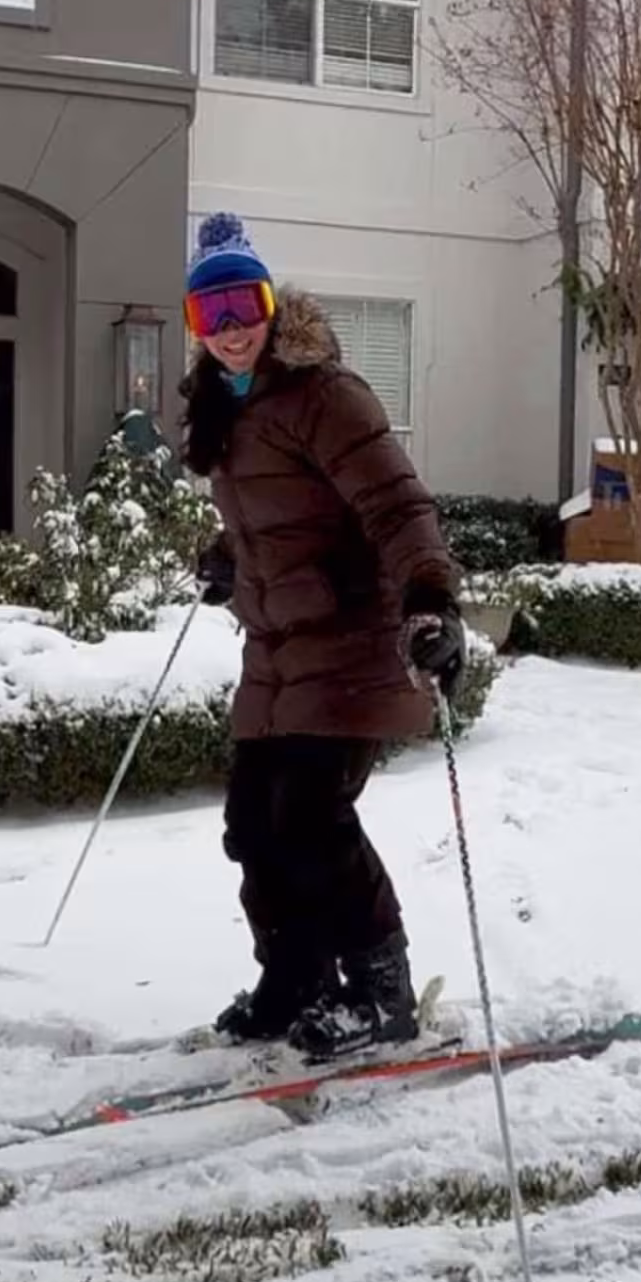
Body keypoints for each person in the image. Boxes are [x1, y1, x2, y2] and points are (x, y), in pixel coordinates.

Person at [181, 214, 467, 1062]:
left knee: (309, 816)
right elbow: (286, 516)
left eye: (244, 304)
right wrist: (230, 558)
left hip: (346, 640)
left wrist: (429, 600)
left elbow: (394, 504)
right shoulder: (227, 407)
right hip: (274, 651)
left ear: (272, 304)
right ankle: (297, 976)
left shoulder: (323, 393)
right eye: (211, 313)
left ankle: (383, 991)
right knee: (252, 823)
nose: (232, 328)